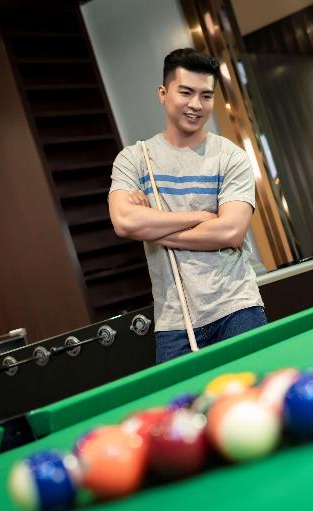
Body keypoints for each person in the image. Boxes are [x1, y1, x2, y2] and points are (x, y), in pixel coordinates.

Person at [108, 48, 266, 363]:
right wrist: (200, 217)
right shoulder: (135, 159)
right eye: (186, 92)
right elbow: (124, 222)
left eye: (206, 96)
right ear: (163, 94)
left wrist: (153, 226)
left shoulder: (231, 157)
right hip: (173, 323)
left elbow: (231, 232)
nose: (196, 104)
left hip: (237, 308)